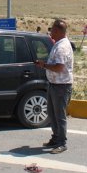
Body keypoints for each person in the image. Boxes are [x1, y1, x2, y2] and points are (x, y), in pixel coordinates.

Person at [35, 19, 74, 154]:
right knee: (52, 114)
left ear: (57, 31)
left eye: (52, 29)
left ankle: (61, 143)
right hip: (54, 84)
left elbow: (59, 67)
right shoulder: (58, 44)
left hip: (61, 86)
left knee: (59, 116)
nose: (50, 31)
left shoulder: (62, 47)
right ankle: (55, 138)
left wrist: (43, 65)